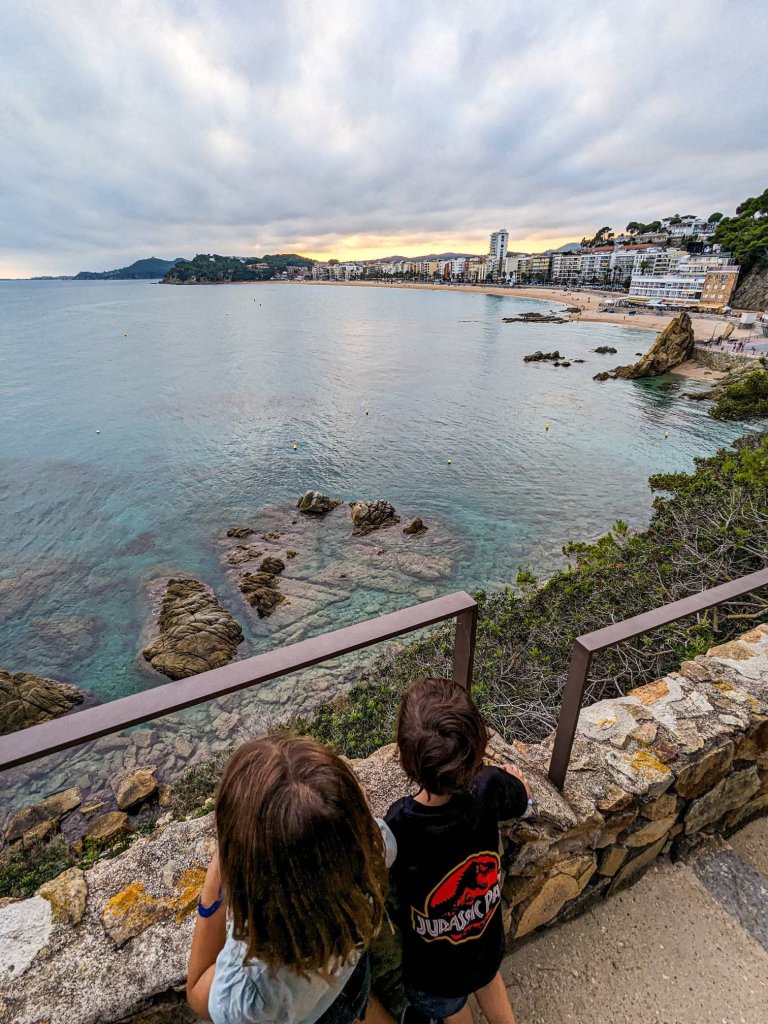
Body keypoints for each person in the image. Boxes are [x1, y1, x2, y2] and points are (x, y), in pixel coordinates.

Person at [187, 734, 397, 1024]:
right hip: (350, 973)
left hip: (302, 1013)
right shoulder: (375, 853)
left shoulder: (250, 991)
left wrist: (215, 880)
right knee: (356, 1005)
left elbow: (197, 993)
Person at [385, 678, 531, 1024]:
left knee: (453, 1012)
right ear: (478, 743)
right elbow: (522, 800)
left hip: (435, 970)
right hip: (484, 942)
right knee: (489, 981)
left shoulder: (399, 824)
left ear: (406, 760)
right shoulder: (490, 787)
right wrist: (518, 781)